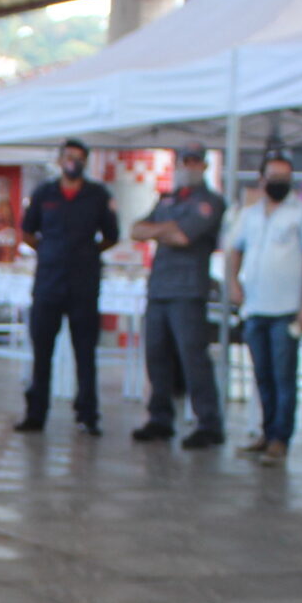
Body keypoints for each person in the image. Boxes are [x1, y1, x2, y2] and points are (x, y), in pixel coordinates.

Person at [223, 152, 302, 465]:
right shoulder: (249, 214)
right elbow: (233, 250)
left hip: (286, 310)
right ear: (262, 179)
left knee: (284, 377)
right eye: (274, 177)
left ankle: (281, 438)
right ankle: (266, 433)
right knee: (262, 376)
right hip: (255, 308)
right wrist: (232, 284)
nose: (279, 183)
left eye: (285, 178)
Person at [15, 138, 120, 434]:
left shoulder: (97, 196)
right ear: (60, 160)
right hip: (49, 283)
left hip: (83, 286)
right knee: (42, 353)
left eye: (79, 157)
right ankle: (36, 413)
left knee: (85, 353)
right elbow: (28, 232)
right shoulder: (44, 193)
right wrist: (51, 252)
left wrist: (85, 254)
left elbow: (112, 235)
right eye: (69, 156)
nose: (73, 162)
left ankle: (87, 413)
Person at [129, 141, 226, 448]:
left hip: (188, 291)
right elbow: (136, 230)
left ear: (204, 166)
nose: (189, 167)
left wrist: (160, 228)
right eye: (185, 161)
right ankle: (160, 418)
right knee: (155, 355)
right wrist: (166, 227)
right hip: (159, 289)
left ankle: (208, 422)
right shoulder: (167, 199)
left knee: (192, 358)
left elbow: (184, 237)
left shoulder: (210, 202)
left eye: (195, 161)